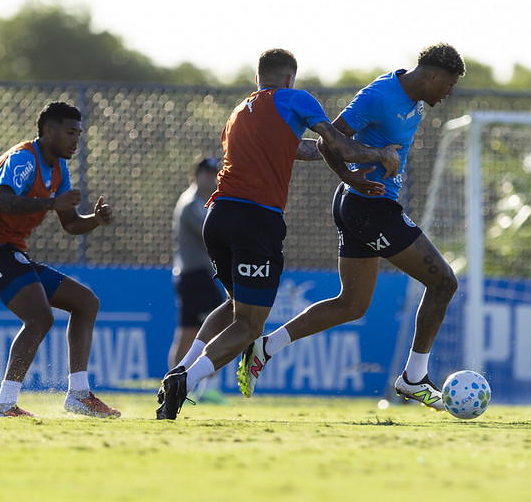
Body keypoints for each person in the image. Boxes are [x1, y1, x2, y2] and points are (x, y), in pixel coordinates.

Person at [155, 48, 401, 419]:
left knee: (234, 305)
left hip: (217, 216)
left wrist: (350, 163)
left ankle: (180, 369)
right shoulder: (295, 98)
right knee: (249, 325)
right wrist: (380, 154)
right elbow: (337, 143)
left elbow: (304, 149)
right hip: (255, 219)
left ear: (258, 78)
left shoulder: (239, 112)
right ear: (290, 78)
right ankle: (186, 381)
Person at [236, 43, 466, 411]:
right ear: (433, 75)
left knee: (352, 304)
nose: (449, 93)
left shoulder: (417, 99)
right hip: (368, 207)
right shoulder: (379, 97)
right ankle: (414, 378)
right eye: (449, 85)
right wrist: (350, 177)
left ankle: (265, 347)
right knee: (443, 282)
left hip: (365, 204)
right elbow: (329, 142)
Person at [0, 101, 121, 418]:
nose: (76, 140)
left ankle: (79, 394)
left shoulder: (59, 167)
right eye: (70, 132)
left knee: (86, 303)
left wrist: (96, 220)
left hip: (11, 251)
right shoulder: (24, 158)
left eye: (79, 133)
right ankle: (4, 405)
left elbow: (71, 224)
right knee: (39, 318)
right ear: (48, 131)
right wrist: (52, 202)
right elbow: (1, 201)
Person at [169, 156, 225, 370]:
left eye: (214, 174)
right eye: (207, 174)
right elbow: (208, 237)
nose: (212, 179)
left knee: (188, 332)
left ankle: (172, 379)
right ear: (195, 175)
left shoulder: (203, 202)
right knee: (220, 322)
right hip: (194, 276)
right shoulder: (191, 203)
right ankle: (208, 380)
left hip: (191, 275)